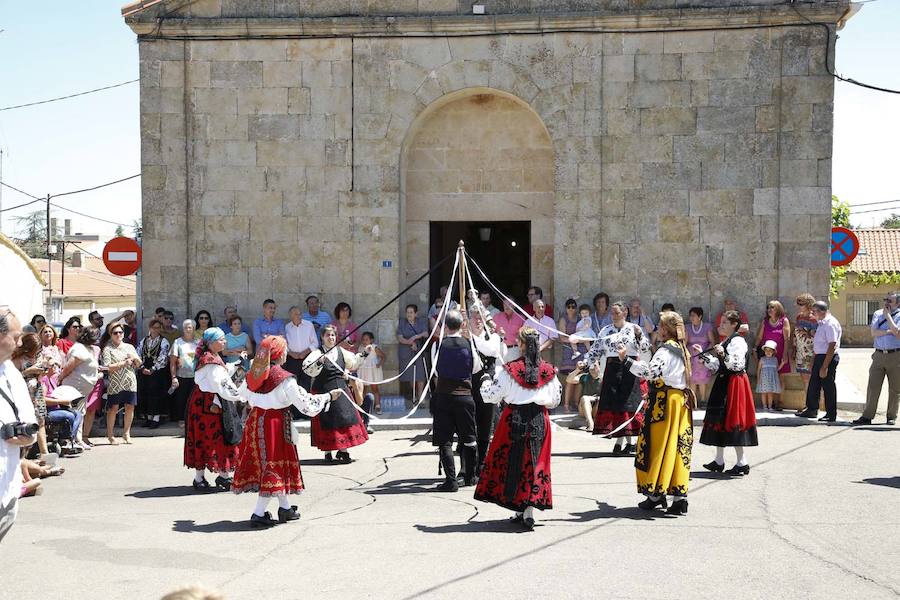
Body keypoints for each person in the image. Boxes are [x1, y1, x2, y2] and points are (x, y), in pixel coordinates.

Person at [233, 336, 340, 527]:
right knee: (272, 466)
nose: (285, 352)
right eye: (284, 349)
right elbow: (306, 404)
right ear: (278, 353)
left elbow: (241, 394)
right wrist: (328, 397)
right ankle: (258, 513)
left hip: (255, 421)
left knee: (270, 465)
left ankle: (285, 509)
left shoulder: (254, 375)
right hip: (274, 425)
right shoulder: (284, 379)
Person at [475, 327, 560, 530]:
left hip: (514, 419)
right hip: (540, 418)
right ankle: (525, 509)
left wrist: (485, 380)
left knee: (516, 462)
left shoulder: (509, 371)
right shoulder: (549, 371)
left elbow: (491, 396)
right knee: (534, 462)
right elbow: (555, 400)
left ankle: (525, 509)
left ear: (521, 345)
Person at [619, 311, 693, 514]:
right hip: (678, 402)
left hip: (665, 404)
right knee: (677, 447)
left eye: (660, 326)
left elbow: (650, 372)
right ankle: (679, 497)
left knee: (658, 446)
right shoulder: (682, 349)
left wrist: (626, 360)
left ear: (666, 329)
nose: (658, 330)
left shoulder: (665, 351)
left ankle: (656, 493)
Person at [583, 301, 651, 454]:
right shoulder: (605, 331)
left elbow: (646, 347)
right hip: (612, 370)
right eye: (612, 313)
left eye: (616, 313)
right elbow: (595, 350)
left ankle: (630, 441)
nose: (613, 316)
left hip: (630, 368)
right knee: (616, 405)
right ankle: (621, 441)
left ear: (624, 312)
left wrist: (640, 335)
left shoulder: (634, 329)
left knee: (628, 404)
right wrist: (587, 363)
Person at [697, 310, 758, 474]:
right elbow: (719, 366)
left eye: (724, 322)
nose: (720, 325)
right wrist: (706, 359)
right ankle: (719, 460)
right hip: (724, 381)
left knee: (733, 419)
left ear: (734, 325)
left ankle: (741, 462)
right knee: (719, 419)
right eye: (721, 321)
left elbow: (736, 365)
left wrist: (723, 354)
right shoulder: (727, 341)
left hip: (734, 383)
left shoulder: (738, 342)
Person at [185, 328, 244, 492]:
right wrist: (241, 395)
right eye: (222, 339)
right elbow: (221, 384)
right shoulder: (210, 361)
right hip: (210, 404)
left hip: (207, 401)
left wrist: (234, 365)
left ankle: (219, 476)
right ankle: (208, 477)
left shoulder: (211, 358)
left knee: (213, 437)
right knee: (214, 438)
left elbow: (221, 375)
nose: (225, 342)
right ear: (211, 343)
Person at [430, 310, 483, 492]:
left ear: (445, 326)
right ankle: (470, 477)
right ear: (462, 325)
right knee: (469, 437)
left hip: (444, 396)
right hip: (465, 396)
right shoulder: (469, 344)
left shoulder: (438, 346)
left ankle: (451, 480)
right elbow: (476, 368)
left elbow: (436, 372)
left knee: (444, 440)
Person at [303, 324, 370, 463]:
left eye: (333, 335)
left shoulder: (341, 351)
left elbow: (353, 363)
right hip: (324, 390)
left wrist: (364, 353)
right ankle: (328, 453)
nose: (331, 338)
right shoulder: (317, 353)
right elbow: (307, 368)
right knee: (327, 421)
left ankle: (343, 451)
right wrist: (319, 363)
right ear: (322, 337)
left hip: (341, 390)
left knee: (345, 419)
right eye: (328, 335)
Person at [0, 309, 39, 542]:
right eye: (15, 337)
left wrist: (28, 437)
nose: (19, 342)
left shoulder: (11, 373)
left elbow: (29, 418)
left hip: (8, 483)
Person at [467, 307, 506, 480]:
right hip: (468, 387)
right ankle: (467, 466)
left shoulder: (494, 337)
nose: (478, 320)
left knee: (485, 427)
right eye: (474, 317)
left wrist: (471, 337)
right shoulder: (464, 338)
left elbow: (491, 351)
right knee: (468, 428)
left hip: (487, 389)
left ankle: (482, 464)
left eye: (480, 317)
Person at [852, 291, 900, 426]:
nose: (886, 302)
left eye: (890, 300)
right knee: (873, 386)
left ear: (898, 303)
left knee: (895, 388)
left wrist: (888, 317)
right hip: (878, 355)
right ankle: (867, 416)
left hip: (896, 355)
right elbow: (874, 332)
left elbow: (898, 333)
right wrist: (888, 331)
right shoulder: (878, 314)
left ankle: (891, 416)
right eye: (885, 299)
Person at [795, 301, 842, 422]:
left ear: (822, 311)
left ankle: (831, 414)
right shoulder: (821, 323)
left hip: (828, 357)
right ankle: (811, 409)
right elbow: (819, 344)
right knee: (813, 385)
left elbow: (832, 345)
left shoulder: (830, 324)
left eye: (814, 311)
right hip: (819, 356)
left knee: (828, 386)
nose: (812, 313)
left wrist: (824, 366)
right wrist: (813, 361)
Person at [57, 326, 101, 449]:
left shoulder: (87, 348)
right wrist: (59, 379)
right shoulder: (79, 348)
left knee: (80, 413)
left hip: (82, 389)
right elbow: (68, 367)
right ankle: (73, 440)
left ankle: (78, 439)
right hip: (74, 387)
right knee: (76, 414)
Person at [101, 322, 141, 444]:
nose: (118, 335)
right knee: (113, 408)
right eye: (115, 333)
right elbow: (107, 367)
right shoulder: (108, 349)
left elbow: (139, 364)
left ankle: (126, 433)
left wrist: (135, 359)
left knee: (130, 407)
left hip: (130, 380)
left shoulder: (129, 347)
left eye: (120, 332)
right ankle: (110, 435)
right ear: (111, 334)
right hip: (115, 382)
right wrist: (123, 363)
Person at [11, 334, 50, 457]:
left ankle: (45, 453)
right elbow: (12, 378)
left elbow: (43, 374)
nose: (35, 351)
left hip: (37, 392)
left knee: (41, 421)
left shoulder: (38, 357)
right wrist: (29, 371)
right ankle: (23, 457)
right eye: (34, 348)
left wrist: (43, 370)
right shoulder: (18, 359)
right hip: (23, 393)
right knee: (26, 423)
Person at [754, 300, 792, 410]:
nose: (769, 310)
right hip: (766, 353)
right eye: (768, 307)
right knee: (767, 377)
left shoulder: (784, 321)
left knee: (780, 378)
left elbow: (787, 339)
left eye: (772, 308)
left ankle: (779, 402)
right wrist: (755, 347)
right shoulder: (765, 321)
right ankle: (769, 403)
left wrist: (785, 354)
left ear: (778, 309)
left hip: (780, 353)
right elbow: (760, 337)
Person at [136, 319, 171, 429]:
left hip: (157, 373)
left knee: (156, 394)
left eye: (158, 327)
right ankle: (148, 418)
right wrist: (141, 367)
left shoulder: (163, 341)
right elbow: (138, 353)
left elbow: (163, 356)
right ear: (149, 328)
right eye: (153, 327)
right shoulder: (144, 340)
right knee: (145, 393)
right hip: (144, 370)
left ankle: (156, 418)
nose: (155, 330)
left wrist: (153, 369)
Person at [397, 304, 429, 406]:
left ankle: (420, 395)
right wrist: (410, 342)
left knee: (420, 373)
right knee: (410, 374)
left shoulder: (421, 322)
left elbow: (426, 334)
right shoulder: (402, 322)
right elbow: (400, 337)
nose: (409, 314)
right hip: (406, 350)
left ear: (416, 313)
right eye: (407, 312)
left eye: (411, 312)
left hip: (419, 350)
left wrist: (415, 337)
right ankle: (414, 393)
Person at [169, 320, 199, 427]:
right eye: (186, 327)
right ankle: (181, 419)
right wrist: (174, 377)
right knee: (181, 399)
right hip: (181, 375)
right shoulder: (178, 342)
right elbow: (172, 362)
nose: (188, 329)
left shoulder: (198, 343)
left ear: (194, 329)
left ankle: (193, 419)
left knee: (194, 399)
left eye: (190, 327)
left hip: (196, 376)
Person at [686, 307, 716, 406]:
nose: (691, 318)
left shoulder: (707, 327)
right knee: (692, 379)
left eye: (693, 315)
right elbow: (685, 343)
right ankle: (692, 401)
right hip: (691, 356)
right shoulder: (687, 327)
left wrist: (704, 353)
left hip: (703, 355)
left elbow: (712, 342)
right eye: (690, 315)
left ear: (700, 316)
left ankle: (703, 400)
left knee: (702, 378)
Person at [283, 307, 316, 391]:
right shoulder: (287, 327)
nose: (299, 316)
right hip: (292, 359)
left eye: (300, 314)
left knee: (306, 385)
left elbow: (315, 343)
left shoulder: (309, 325)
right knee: (292, 385)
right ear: (291, 316)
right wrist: (291, 353)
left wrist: (305, 352)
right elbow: (284, 344)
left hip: (307, 359)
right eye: (296, 314)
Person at [792, 293, 818, 391]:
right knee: (804, 378)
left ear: (808, 304)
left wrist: (808, 333)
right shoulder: (799, 317)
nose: (799, 306)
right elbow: (795, 334)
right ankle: (807, 402)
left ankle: (810, 402)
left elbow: (817, 336)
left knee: (810, 378)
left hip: (810, 351)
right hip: (800, 351)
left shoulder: (814, 319)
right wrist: (794, 348)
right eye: (798, 304)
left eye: (801, 304)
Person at [558, 299, 581, 412]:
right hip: (568, 350)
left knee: (579, 378)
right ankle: (566, 404)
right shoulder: (564, 319)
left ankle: (575, 403)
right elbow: (561, 338)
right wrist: (574, 340)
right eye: (569, 307)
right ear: (566, 308)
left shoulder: (580, 319)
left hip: (580, 350)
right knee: (570, 378)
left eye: (573, 306)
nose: (571, 309)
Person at [357, 331, 385, 414]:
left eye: (366, 339)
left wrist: (379, 364)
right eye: (363, 340)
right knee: (363, 388)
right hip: (364, 370)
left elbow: (383, 356)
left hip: (372, 370)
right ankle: (362, 406)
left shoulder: (374, 347)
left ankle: (378, 406)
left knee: (374, 388)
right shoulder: (361, 348)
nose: (364, 341)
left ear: (371, 340)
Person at [756, 340, 782, 411]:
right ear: (764, 351)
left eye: (770, 350)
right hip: (764, 379)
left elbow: (777, 369)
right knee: (764, 393)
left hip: (771, 379)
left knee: (770, 393)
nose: (768, 352)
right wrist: (758, 379)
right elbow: (758, 370)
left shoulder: (775, 359)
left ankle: (770, 406)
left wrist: (782, 363)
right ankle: (764, 406)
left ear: (773, 351)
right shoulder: (762, 359)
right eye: (766, 350)